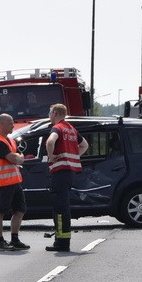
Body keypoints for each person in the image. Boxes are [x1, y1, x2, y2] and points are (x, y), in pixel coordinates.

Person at [44, 103, 87, 252]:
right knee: (64, 206)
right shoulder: (72, 129)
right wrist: (73, 157)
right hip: (70, 173)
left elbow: (50, 141)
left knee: (60, 208)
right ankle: (62, 240)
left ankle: (62, 242)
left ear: (55, 113)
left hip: (60, 172)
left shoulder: (58, 128)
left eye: (50, 113)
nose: (49, 116)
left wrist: (51, 156)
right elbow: (85, 146)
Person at [0, 113, 30, 251]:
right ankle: (0, 242)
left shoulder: (10, 140)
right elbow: (15, 158)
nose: (13, 125)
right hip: (2, 183)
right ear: (1, 124)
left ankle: (14, 239)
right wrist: (18, 157)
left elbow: (19, 157)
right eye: (10, 122)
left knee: (20, 209)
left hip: (14, 182)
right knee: (0, 211)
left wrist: (18, 157)